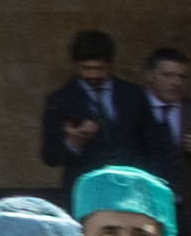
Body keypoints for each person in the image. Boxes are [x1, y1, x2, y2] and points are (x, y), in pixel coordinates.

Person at [39, 36, 168, 194]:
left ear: (110, 65)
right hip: (86, 191)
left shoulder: (134, 94)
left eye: (99, 69)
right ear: (76, 66)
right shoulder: (60, 100)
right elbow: (50, 156)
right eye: (86, 69)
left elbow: (153, 142)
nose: (93, 75)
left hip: (132, 187)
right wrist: (73, 143)